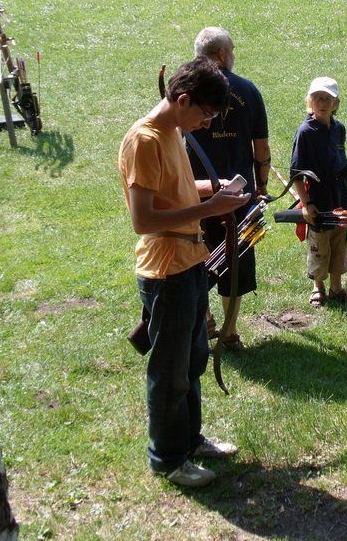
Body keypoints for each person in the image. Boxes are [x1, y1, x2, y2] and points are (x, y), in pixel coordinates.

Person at [118, 58, 250, 489]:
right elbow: (143, 219)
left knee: (192, 360)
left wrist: (214, 189)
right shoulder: (145, 141)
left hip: (191, 262)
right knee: (170, 371)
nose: (206, 124)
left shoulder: (173, 131)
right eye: (205, 114)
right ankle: (168, 459)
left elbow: (174, 192)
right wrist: (211, 209)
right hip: (165, 271)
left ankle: (190, 440)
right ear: (184, 99)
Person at [189, 27, 271, 351]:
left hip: (195, 196)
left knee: (195, 259)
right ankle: (230, 331)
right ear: (222, 54)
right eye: (232, 50)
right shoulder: (247, 90)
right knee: (236, 265)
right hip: (239, 197)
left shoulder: (186, 89)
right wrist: (261, 186)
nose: (234, 55)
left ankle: (206, 317)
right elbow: (261, 148)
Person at [289, 76, 347, 306]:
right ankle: (318, 287)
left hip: (339, 196)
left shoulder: (339, 129)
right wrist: (306, 203)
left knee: (338, 243)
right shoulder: (305, 132)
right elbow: (296, 173)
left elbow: (342, 163)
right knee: (319, 245)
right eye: (317, 98)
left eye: (327, 99)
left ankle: (336, 288)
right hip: (318, 198)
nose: (322, 103)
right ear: (310, 102)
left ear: (336, 103)